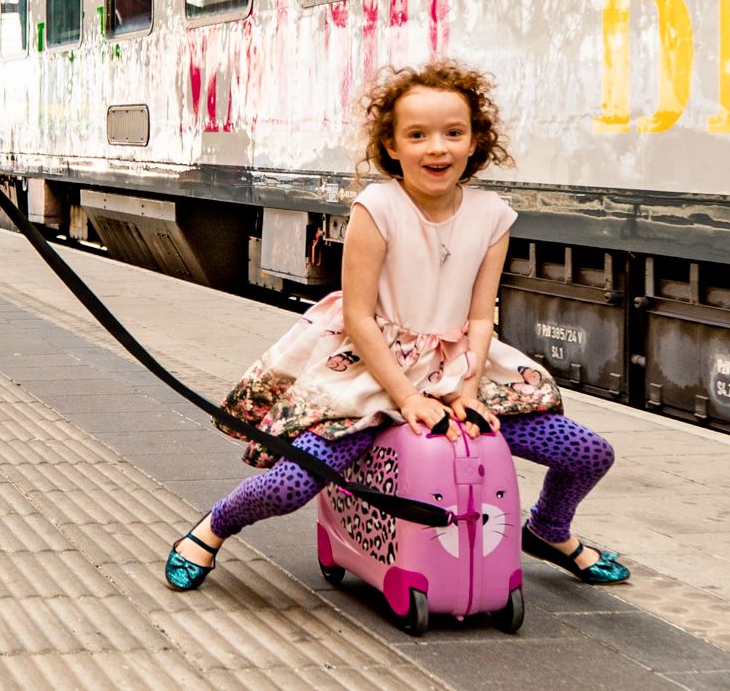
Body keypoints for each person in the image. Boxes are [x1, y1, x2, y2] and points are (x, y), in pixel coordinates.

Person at [166, 58, 628, 590]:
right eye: (418, 135)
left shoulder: (493, 215)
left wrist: (469, 391)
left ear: (475, 141)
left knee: (590, 453)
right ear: (392, 146)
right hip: (372, 374)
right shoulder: (378, 207)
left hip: (457, 371)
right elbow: (359, 317)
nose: (438, 148)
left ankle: (548, 530)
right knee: (291, 483)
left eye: (454, 133)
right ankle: (213, 528)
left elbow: (481, 316)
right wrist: (407, 398)